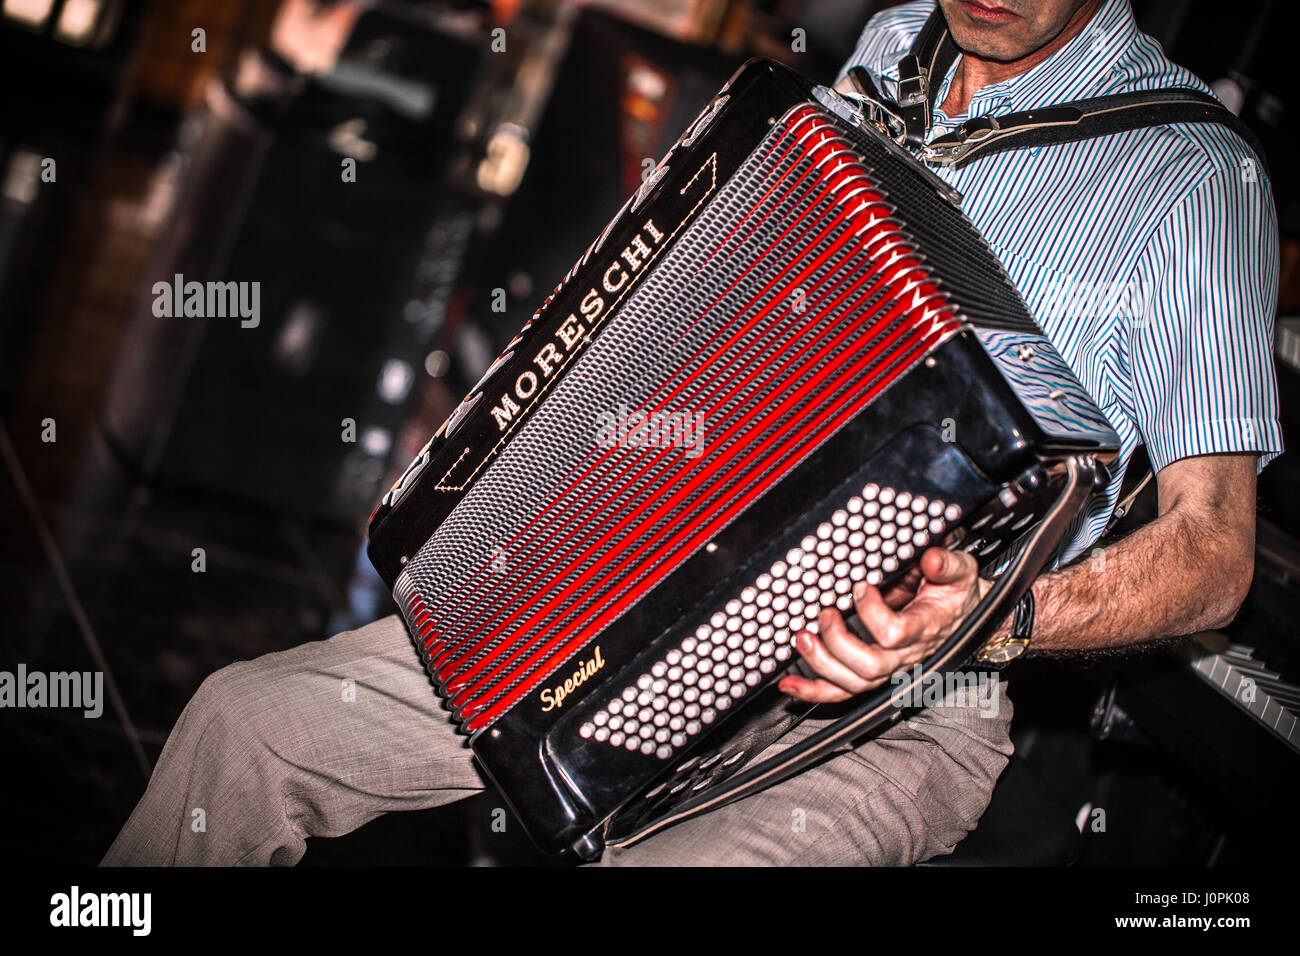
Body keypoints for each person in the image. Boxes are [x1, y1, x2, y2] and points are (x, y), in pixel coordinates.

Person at [102, 0, 1281, 866]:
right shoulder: (892, 48)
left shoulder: (1193, 182)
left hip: (901, 709)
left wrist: (988, 613)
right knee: (240, 728)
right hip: (637, 591)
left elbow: (1216, 553)